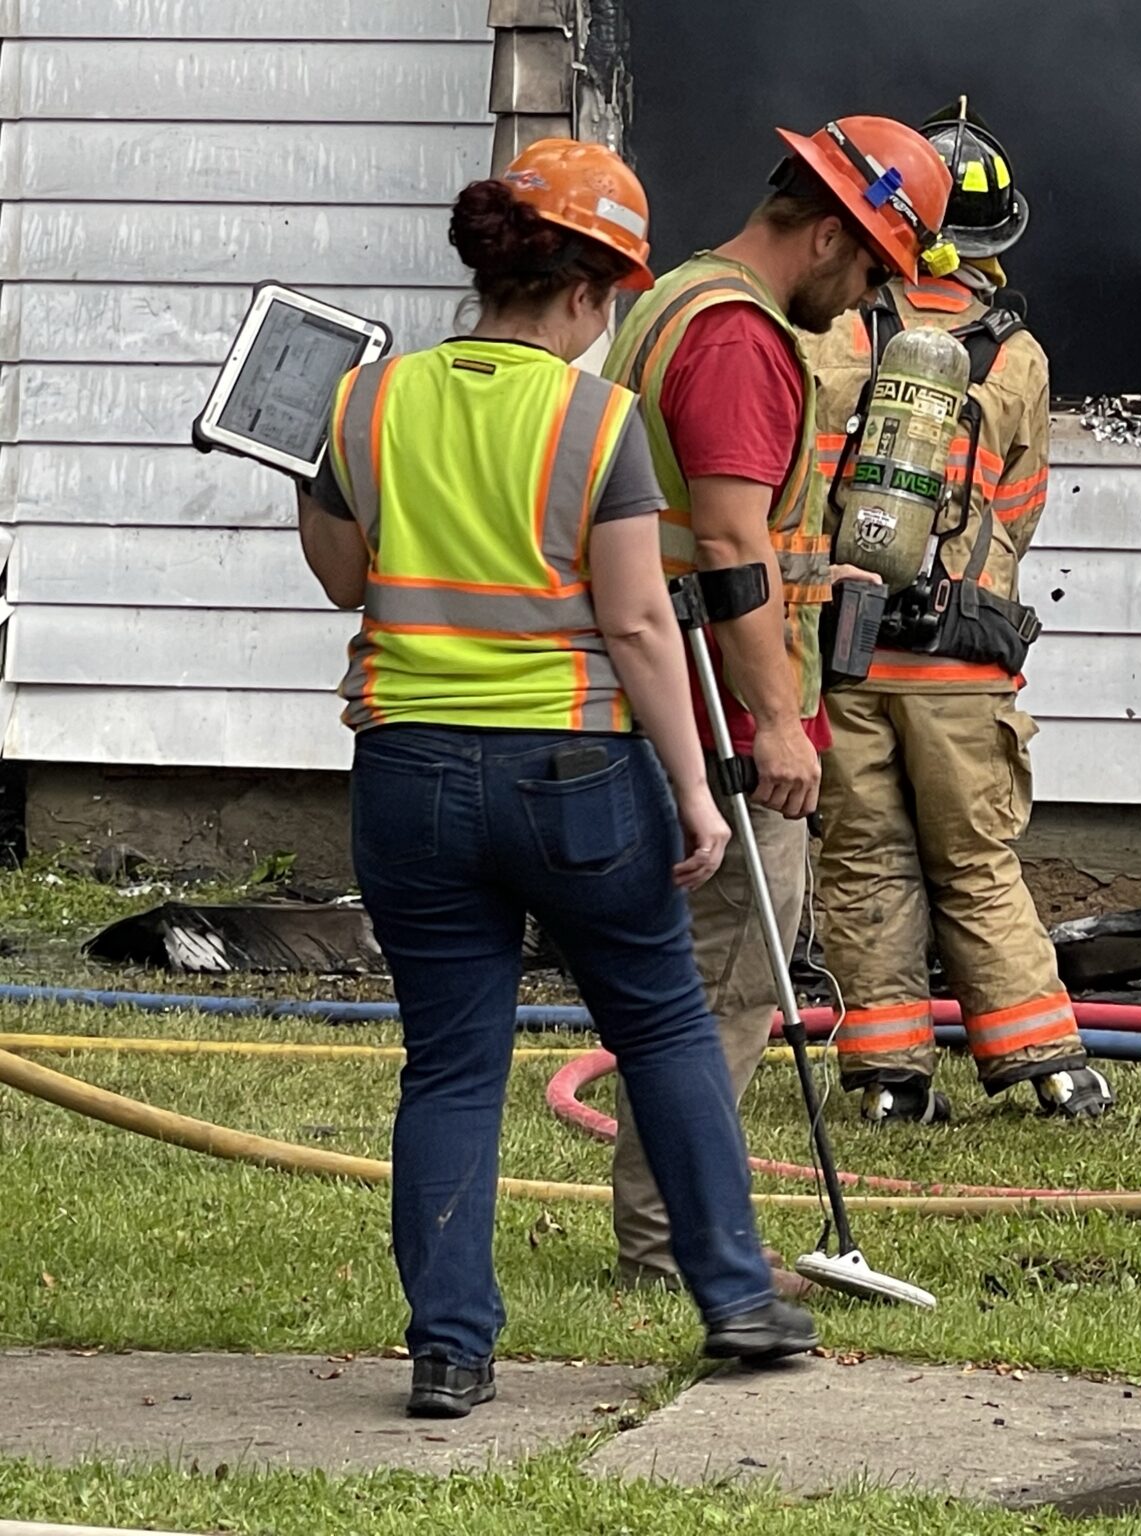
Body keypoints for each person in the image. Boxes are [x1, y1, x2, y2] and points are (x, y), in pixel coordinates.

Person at [295, 140, 816, 1417]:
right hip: (574, 772)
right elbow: (641, 625)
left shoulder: (364, 403)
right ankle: (738, 1299)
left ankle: (450, 1352)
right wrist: (698, 790)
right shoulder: (597, 420)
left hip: (407, 771)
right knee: (660, 1023)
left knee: (451, 1063)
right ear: (590, 290)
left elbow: (342, 577)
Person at [599, 117, 954, 1287]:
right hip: (718, 712)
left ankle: (678, 1232)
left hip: (670, 696)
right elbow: (730, 540)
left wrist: (818, 570)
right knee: (729, 987)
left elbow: (740, 538)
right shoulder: (744, 340)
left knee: (692, 984)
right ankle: (681, 1246)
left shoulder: (676, 300)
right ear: (825, 234)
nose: (864, 303)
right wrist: (776, 724)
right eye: (871, 272)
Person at [805, 100, 1107, 1124]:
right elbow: (1015, 512)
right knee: (974, 862)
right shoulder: (1014, 358)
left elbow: (797, 487)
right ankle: (1048, 1068)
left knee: (862, 862)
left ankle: (887, 1079)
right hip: (962, 660)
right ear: (992, 239)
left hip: (845, 652)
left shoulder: (838, 334)